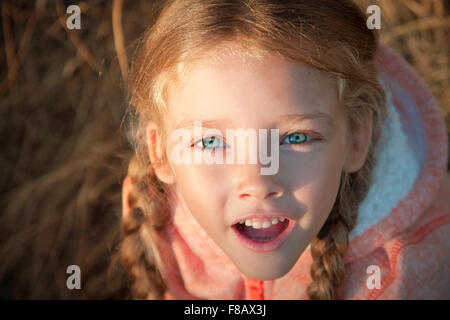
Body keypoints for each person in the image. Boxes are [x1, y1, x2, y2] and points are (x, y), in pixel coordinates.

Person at [119, 0, 450, 299]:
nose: (258, 184)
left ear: (356, 138)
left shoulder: (411, 272)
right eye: (210, 142)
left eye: (295, 138)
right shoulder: (156, 212)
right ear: (160, 153)